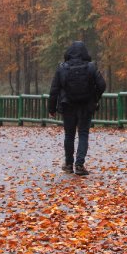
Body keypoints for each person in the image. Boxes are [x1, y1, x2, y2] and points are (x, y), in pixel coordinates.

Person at [48, 41, 106, 176]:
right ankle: (79, 165)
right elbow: (102, 85)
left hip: (68, 105)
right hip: (86, 106)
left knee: (69, 135)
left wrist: (51, 108)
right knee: (83, 134)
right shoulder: (91, 67)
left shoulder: (62, 68)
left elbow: (54, 89)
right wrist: (94, 98)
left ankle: (68, 164)